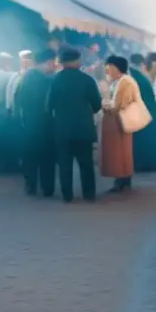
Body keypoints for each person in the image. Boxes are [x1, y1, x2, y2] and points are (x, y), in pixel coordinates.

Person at [49, 47, 103, 202]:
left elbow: (49, 105)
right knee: (86, 163)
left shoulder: (55, 80)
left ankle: (67, 195)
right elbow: (97, 105)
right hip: (83, 128)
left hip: (62, 129)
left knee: (64, 164)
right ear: (77, 61)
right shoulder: (87, 79)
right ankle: (89, 194)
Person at [17, 49, 58, 198]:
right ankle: (48, 188)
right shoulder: (49, 80)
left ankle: (30, 185)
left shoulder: (26, 78)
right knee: (48, 157)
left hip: (29, 124)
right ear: (48, 62)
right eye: (54, 62)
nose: (55, 65)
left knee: (30, 156)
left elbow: (18, 100)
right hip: (46, 124)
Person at [101, 56, 140, 193]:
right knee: (123, 151)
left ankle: (121, 180)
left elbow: (116, 105)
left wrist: (104, 105)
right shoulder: (124, 81)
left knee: (119, 153)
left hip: (119, 121)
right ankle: (124, 179)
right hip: (122, 121)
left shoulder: (123, 82)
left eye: (108, 67)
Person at [129, 53, 156, 173]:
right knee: (147, 140)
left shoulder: (132, 76)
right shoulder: (142, 77)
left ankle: (141, 164)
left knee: (139, 141)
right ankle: (148, 164)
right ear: (142, 64)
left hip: (139, 112)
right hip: (147, 112)